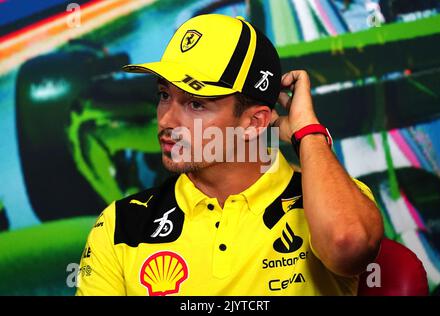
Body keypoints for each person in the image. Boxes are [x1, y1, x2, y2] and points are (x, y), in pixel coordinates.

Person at [76, 13, 383, 296]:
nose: (166, 120)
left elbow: (348, 245)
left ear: (254, 122)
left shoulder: (333, 200)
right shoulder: (121, 224)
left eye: (195, 104)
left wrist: (307, 132)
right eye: (164, 95)